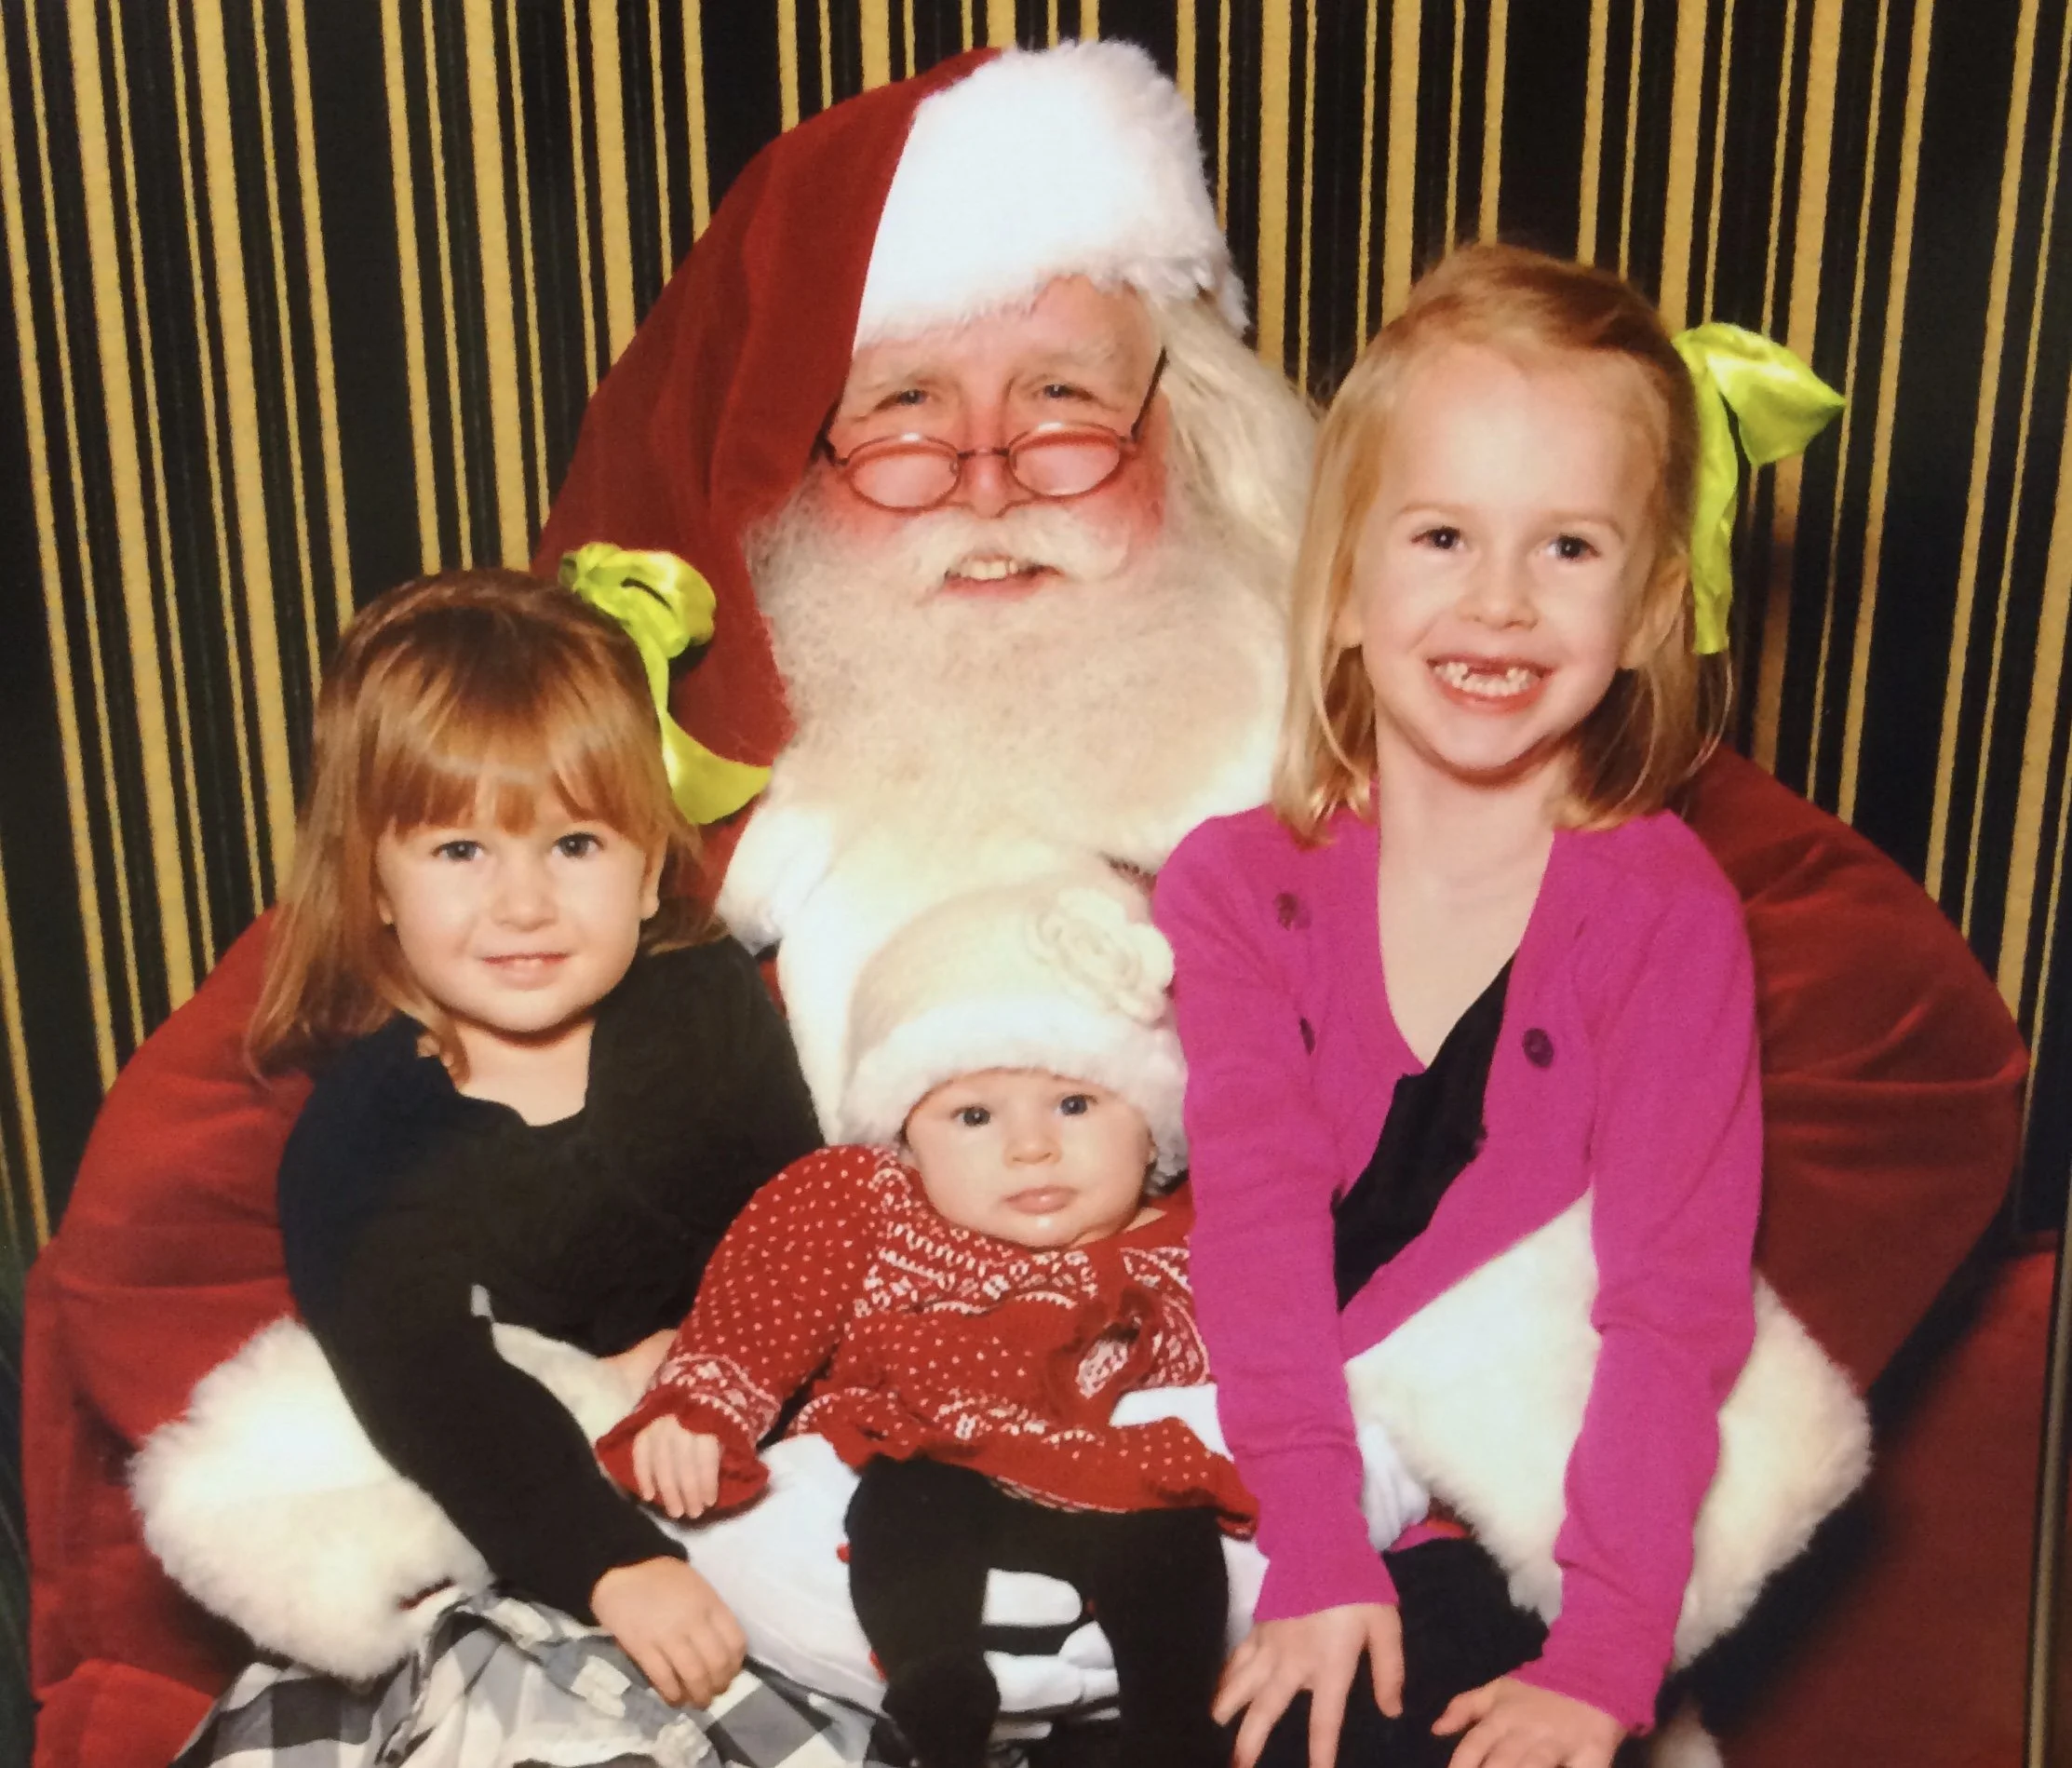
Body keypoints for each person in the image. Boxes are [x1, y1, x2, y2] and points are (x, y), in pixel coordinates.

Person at [26, 39, 2027, 1768]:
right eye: (898, 410)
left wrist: (1460, 1431)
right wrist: (580, 1427)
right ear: (789, 478)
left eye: (1068, 399)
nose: (987, 468)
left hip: (1303, 1528)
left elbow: (1894, 1042)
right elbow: (195, 1191)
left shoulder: (1390, 716)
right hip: (814, 1551)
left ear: (1200, 434)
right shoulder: (649, 798)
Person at [1155, 245, 1780, 1768]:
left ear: (1645, 610)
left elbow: (1669, 1310)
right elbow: (1258, 1222)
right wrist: (1309, 1541)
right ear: (1349, 586)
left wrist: (1607, 1652)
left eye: (1567, 547)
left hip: (1485, 1502)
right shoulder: (1237, 884)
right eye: (1441, 534)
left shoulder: (1665, 913)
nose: (1497, 601)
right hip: (1265, 1446)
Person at [257, 567, 818, 1707]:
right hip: (533, 1522)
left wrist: (718, 1364)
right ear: (373, 879)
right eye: (461, 852)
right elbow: (431, 1386)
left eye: (574, 846)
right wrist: (613, 1562)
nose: (524, 905)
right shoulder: (362, 1135)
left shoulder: (702, 1001)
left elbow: (803, 1219)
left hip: (758, 1442)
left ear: (651, 866)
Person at [599, 875, 1252, 1768]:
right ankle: (938, 1694)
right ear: (906, 1137)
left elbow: (1284, 1361)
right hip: (916, 1460)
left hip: (1115, 1479)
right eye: (974, 1115)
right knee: (902, 1503)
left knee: (1174, 1535)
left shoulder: (1205, 1235)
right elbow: (763, 1301)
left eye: (1075, 1102)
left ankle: (1172, 1733)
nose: (1031, 1147)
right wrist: (703, 1407)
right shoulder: (869, 1199)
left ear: (1152, 1123)